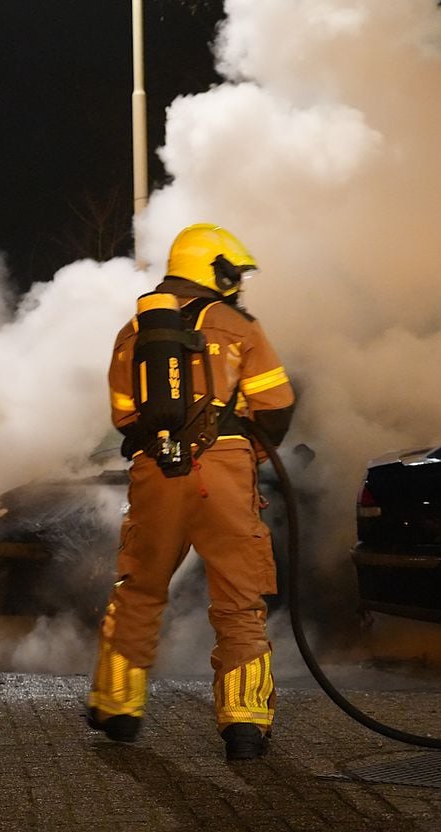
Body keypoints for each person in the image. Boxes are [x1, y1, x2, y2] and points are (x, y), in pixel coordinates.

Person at [87, 223, 295, 761]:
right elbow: (276, 405)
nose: (238, 285)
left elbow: (123, 415)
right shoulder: (238, 326)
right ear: (216, 271)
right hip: (224, 476)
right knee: (239, 603)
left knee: (139, 591)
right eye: (234, 274)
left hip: (156, 474)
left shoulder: (133, 331)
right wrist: (244, 453)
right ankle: (244, 724)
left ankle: (118, 707)